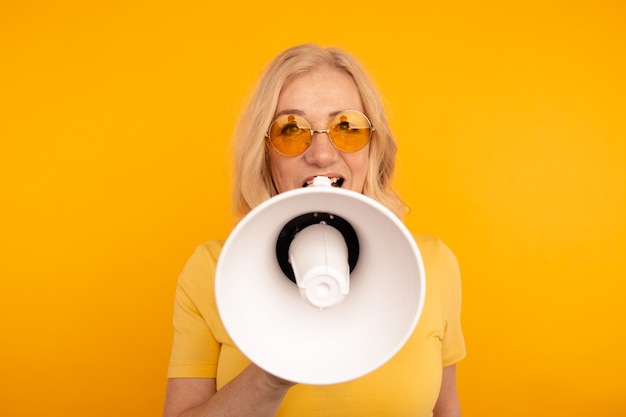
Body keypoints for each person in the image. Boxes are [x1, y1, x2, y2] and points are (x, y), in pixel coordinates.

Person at [163, 43, 465, 417]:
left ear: (374, 146)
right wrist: (271, 374)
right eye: (291, 129)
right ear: (264, 151)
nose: (321, 154)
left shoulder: (432, 265)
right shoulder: (211, 270)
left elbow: (446, 410)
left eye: (347, 127)